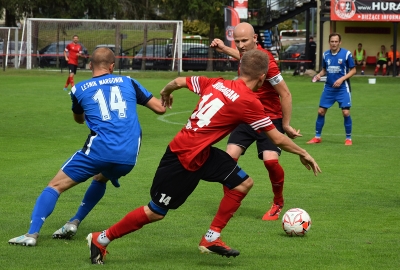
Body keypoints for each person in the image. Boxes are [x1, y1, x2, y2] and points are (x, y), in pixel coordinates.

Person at [85, 50, 321, 265]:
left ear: (240, 70)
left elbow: (178, 81)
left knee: (242, 183)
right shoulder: (249, 101)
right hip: (181, 158)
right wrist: (304, 153)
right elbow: (277, 139)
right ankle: (101, 238)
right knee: (155, 211)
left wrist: (166, 92)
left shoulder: (216, 82)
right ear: (262, 78)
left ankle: (212, 237)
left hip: (201, 154)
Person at [8, 47, 168, 247]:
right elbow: (160, 108)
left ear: (90, 65)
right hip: (128, 156)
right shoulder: (129, 81)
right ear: (112, 66)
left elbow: (78, 119)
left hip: (99, 150)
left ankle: (31, 235)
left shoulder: (79, 89)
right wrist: (167, 92)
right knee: (101, 178)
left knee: (55, 186)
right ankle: (74, 222)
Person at [210, 22, 301, 221]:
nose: (241, 45)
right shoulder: (247, 55)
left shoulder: (266, 60)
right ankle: (230, 201)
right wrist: (224, 49)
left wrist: (285, 125)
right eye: (237, 41)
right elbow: (242, 56)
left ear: (255, 40)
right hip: (247, 114)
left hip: (270, 117)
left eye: (244, 41)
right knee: (229, 157)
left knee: (270, 160)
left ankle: (278, 202)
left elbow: (285, 94)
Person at [307, 33, 356, 146]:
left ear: (340, 42)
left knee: (346, 112)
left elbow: (353, 71)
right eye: (332, 41)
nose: (334, 43)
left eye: (336, 41)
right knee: (321, 111)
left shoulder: (346, 54)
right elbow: (324, 70)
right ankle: (317, 137)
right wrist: (319, 75)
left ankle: (348, 138)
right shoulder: (325, 55)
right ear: (329, 42)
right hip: (329, 88)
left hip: (343, 88)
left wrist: (341, 79)